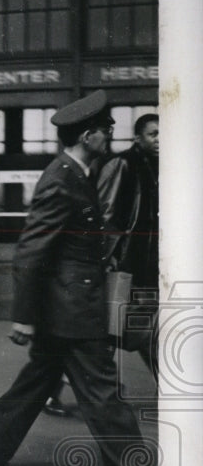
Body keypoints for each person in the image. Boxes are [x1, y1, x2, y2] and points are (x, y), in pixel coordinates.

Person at [0, 90, 157, 466]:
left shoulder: (77, 174)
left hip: (68, 302)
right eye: (105, 130)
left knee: (38, 380)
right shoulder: (62, 178)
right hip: (73, 307)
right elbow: (32, 249)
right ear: (88, 136)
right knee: (102, 388)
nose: (110, 136)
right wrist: (22, 316)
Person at [97, 112, 160, 378]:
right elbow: (105, 213)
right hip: (125, 263)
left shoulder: (160, 165)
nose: (161, 140)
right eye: (153, 134)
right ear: (138, 137)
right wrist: (107, 258)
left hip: (147, 264)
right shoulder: (123, 164)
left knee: (137, 328)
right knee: (115, 330)